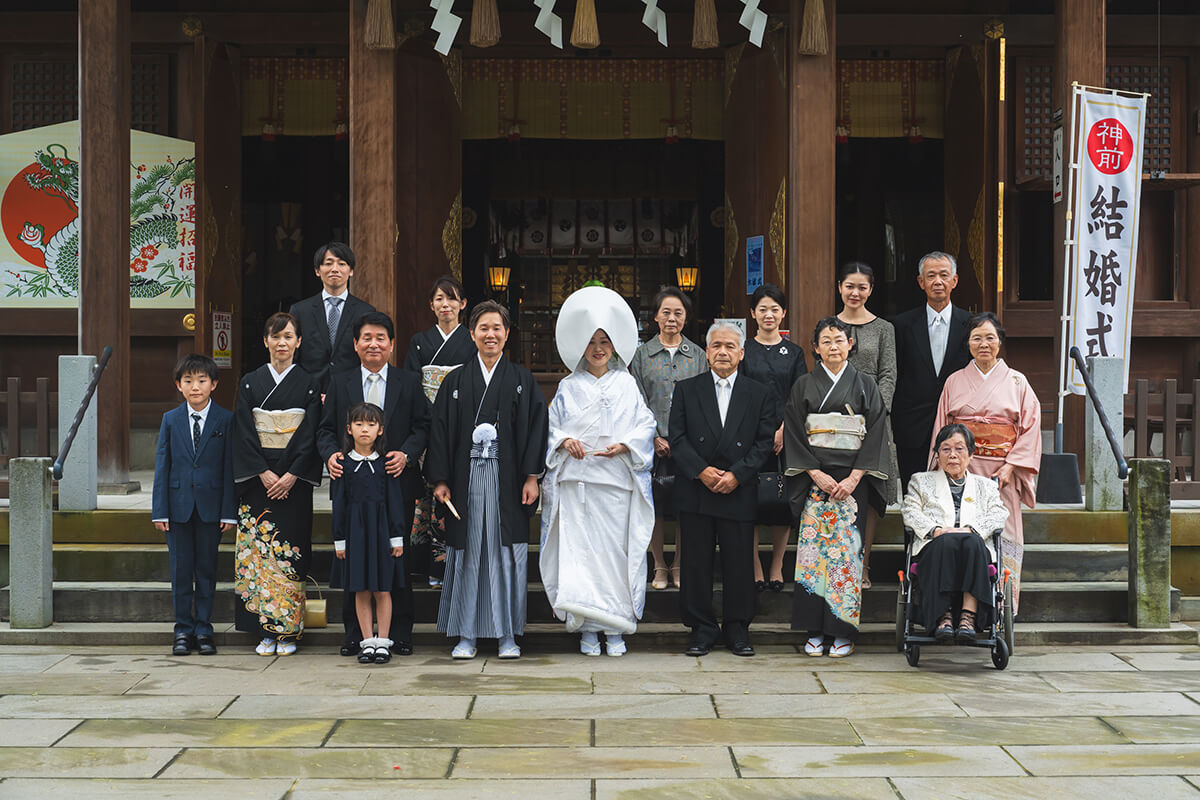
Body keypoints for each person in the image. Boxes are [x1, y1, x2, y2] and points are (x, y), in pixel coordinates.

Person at [427, 300, 549, 660]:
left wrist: (532, 477)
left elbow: (534, 429)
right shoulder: (456, 381)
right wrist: (440, 479)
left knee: (505, 554)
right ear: (472, 333)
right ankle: (466, 633)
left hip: (507, 479)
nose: (490, 334)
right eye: (484, 328)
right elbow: (441, 432)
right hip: (465, 481)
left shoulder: (522, 380)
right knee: (469, 553)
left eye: (497, 328)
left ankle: (507, 633)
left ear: (507, 334)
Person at [540, 287, 657, 657]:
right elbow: (551, 427)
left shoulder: (627, 383)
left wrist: (627, 445)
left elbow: (646, 425)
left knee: (614, 556)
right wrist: (564, 440)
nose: (598, 348)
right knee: (581, 557)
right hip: (578, 485)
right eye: (591, 342)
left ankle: (616, 626)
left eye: (605, 341)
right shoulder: (567, 386)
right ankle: (587, 628)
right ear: (581, 347)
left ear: (615, 346)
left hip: (615, 483)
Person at [318, 311, 430, 658]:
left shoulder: (408, 382)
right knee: (355, 558)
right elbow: (323, 429)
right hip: (352, 486)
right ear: (355, 344)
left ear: (392, 344)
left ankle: (399, 633)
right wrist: (331, 455)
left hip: (396, 484)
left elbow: (423, 426)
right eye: (366, 337)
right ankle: (356, 634)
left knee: (399, 555)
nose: (374, 344)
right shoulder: (340, 381)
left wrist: (407, 455)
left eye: (381, 338)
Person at [784, 317, 889, 659]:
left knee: (846, 557)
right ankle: (815, 629)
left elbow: (875, 433)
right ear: (815, 348)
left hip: (851, 483)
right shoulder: (803, 385)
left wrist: (855, 478)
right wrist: (815, 474)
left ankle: (841, 630)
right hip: (816, 480)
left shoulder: (865, 385)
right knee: (813, 558)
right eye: (825, 341)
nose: (833, 346)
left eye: (839, 340)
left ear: (850, 345)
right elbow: (795, 433)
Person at [669, 322, 776, 658]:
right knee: (696, 563)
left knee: (739, 563)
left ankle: (737, 628)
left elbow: (763, 442)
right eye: (716, 346)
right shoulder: (686, 389)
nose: (723, 352)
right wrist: (701, 471)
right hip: (697, 488)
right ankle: (701, 629)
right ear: (707, 352)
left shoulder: (759, 393)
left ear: (742, 353)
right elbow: (677, 437)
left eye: (730, 346)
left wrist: (737, 475)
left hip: (738, 489)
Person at [931, 312, 1041, 611]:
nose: (983, 344)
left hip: (1001, 470)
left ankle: (1002, 605)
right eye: (976, 338)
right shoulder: (955, 381)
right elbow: (943, 427)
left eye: (990, 337)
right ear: (967, 344)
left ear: (1000, 342)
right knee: (957, 527)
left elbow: (1030, 428)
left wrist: (1012, 465)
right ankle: (956, 606)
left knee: (1004, 532)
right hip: (959, 467)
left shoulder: (1018, 382)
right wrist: (944, 465)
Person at [231, 312, 322, 656]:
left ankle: (288, 631)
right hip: (259, 481)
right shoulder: (251, 382)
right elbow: (243, 430)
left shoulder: (310, 382)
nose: (282, 343)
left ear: (298, 342)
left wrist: (291, 475)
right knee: (258, 554)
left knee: (291, 553)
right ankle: (263, 631)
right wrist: (263, 472)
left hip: (293, 483)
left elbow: (310, 433)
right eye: (276, 337)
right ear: (265, 341)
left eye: (288, 337)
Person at [152, 354, 236, 656]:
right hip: (177, 508)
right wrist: (159, 510)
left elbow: (229, 468)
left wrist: (229, 511)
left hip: (212, 508)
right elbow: (163, 465)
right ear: (179, 385)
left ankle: (204, 630)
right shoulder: (170, 420)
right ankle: (182, 631)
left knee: (206, 570)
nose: (195, 386)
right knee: (180, 570)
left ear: (214, 384)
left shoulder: (226, 420)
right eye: (188, 381)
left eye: (202, 380)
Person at [629, 286, 707, 590]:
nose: (672, 318)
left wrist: (684, 441)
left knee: (686, 508)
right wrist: (654, 437)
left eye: (678, 313)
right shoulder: (641, 356)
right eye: (666, 312)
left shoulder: (699, 356)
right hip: (653, 444)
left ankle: (679, 565)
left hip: (689, 446)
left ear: (686, 318)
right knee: (655, 508)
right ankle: (659, 565)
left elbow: (703, 400)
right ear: (656, 317)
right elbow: (637, 401)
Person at [902, 424, 1009, 641]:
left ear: (971, 453)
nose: (952, 455)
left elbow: (999, 513)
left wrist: (971, 529)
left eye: (959, 449)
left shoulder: (986, 486)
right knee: (947, 542)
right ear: (937, 454)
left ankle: (968, 616)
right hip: (935, 545)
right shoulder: (920, 481)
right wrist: (936, 530)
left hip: (974, 548)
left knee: (971, 542)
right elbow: (910, 510)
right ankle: (944, 615)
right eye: (945, 449)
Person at [403, 275, 475, 590]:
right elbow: (410, 385)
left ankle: (452, 564)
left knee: (456, 492)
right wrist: (430, 418)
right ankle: (426, 565)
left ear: (463, 304)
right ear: (432, 306)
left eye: (451, 299)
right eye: (439, 300)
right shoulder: (420, 341)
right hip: (427, 428)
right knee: (425, 496)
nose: (445, 305)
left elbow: (476, 384)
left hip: (460, 429)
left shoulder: (472, 341)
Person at [739, 283, 808, 593]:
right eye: (762, 309)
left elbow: (799, 395)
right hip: (749, 437)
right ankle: (753, 565)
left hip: (785, 436)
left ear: (784, 314)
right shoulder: (743, 349)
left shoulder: (793, 352)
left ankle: (777, 565)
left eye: (775, 309)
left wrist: (782, 429)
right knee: (750, 500)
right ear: (753, 313)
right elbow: (737, 393)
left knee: (782, 502)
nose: (769, 315)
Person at [330, 403, 409, 664]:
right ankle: (367, 641)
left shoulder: (387, 464)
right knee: (361, 589)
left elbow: (396, 502)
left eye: (371, 424)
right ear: (349, 429)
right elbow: (339, 504)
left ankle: (383, 642)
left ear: (381, 430)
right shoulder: (342, 465)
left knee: (382, 589)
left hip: (381, 532)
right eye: (359, 424)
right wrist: (339, 540)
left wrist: (397, 537)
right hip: (355, 534)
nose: (365, 429)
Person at [836, 262, 898, 591]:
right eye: (849, 286)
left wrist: (876, 412)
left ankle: (863, 561)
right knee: (841, 489)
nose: (855, 293)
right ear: (839, 288)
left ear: (870, 289)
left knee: (872, 492)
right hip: (836, 422)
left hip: (875, 421)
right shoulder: (830, 326)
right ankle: (840, 560)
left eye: (862, 287)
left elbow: (889, 374)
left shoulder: (884, 328)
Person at [891, 252, 971, 490]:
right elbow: (896, 374)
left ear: (954, 281)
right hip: (912, 425)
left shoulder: (969, 324)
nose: (938, 281)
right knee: (914, 492)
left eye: (944, 275)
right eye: (931, 275)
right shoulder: (901, 325)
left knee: (956, 493)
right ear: (921, 282)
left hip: (956, 425)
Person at [289, 241, 376, 394]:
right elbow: (293, 356)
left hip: (351, 393)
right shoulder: (300, 311)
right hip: (310, 394)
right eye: (328, 263)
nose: (335, 269)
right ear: (317, 270)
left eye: (342, 264)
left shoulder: (366, 312)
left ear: (351, 271)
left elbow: (370, 356)